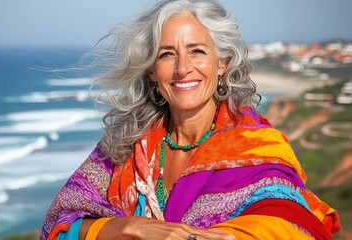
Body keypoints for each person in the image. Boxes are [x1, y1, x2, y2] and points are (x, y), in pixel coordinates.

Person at [40, 0, 340, 239]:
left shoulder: (255, 145)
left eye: (197, 51)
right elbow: (61, 224)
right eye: (167, 54)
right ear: (151, 71)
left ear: (222, 63)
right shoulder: (125, 145)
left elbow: (291, 219)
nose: (183, 68)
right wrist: (126, 228)